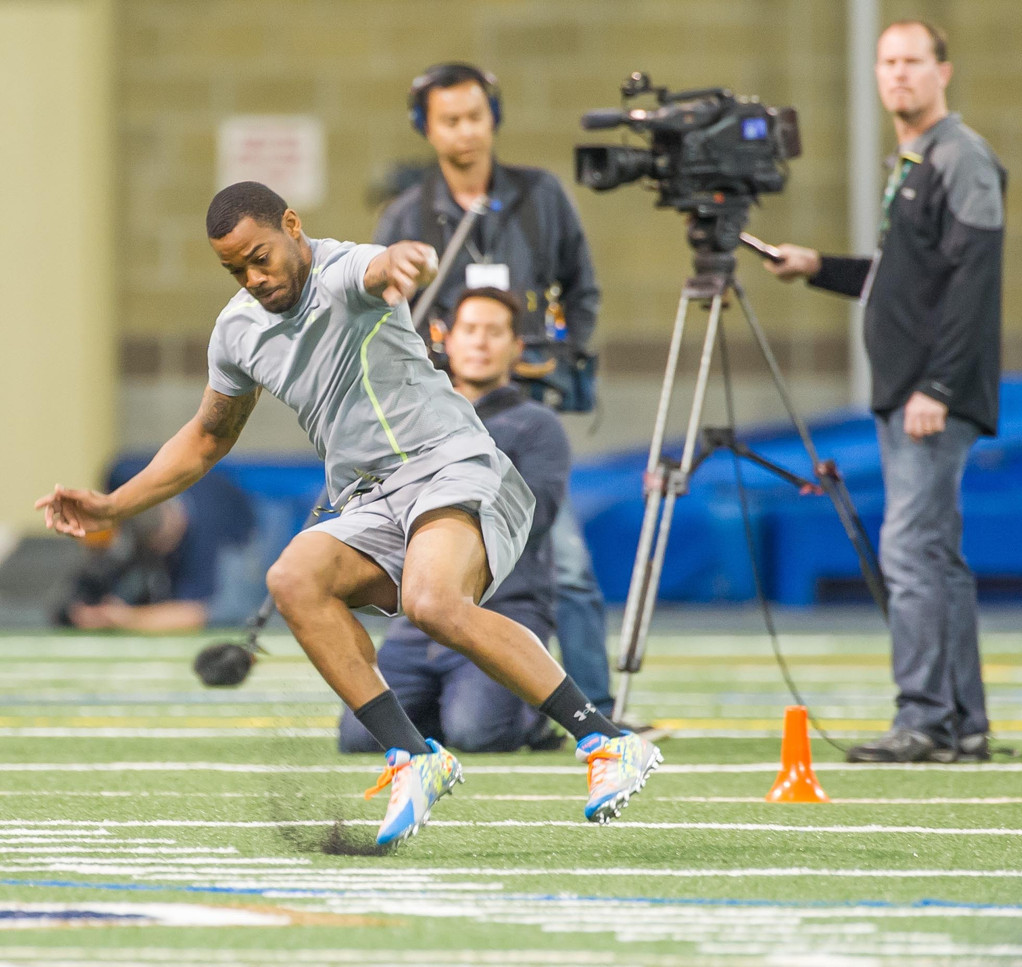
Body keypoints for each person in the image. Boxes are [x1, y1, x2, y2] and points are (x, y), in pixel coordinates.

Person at [35, 181, 661, 844]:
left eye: (260, 257)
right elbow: (206, 438)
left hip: (448, 461)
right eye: (234, 269)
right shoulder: (237, 332)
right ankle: (413, 757)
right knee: (292, 577)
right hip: (369, 497)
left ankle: (606, 739)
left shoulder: (343, 271)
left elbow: (378, 266)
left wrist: (400, 261)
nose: (252, 277)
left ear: (293, 226)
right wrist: (111, 502)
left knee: (433, 601)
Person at [763, 21, 1005, 763]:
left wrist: (936, 384)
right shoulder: (915, 158)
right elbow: (902, 281)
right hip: (909, 391)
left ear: (943, 71)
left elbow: (972, 279)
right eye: (887, 62)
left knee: (908, 550)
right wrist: (819, 267)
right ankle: (960, 722)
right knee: (935, 556)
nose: (898, 74)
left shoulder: (959, 156)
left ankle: (925, 717)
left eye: (912, 61)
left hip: (928, 395)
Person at [375, 62, 616, 719]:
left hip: (525, 407)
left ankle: (595, 707)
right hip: (438, 425)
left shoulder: (542, 197)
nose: (466, 132)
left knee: (564, 562)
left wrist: (561, 357)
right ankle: (441, 690)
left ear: (495, 118)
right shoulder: (406, 214)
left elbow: (582, 287)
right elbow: (376, 321)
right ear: (427, 129)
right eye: (450, 120)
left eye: (476, 117)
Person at [339, 286, 570, 754]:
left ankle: (531, 711)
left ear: (515, 348)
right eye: (470, 330)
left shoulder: (537, 425)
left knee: (477, 734)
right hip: (416, 619)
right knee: (360, 738)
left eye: (493, 332)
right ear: (446, 339)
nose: (480, 342)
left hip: (502, 608)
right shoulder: (414, 419)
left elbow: (533, 516)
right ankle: (442, 704)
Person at [53, 469, 256, 632]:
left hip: (249, 526)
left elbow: (200, 613)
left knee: (232, 609)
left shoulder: (209, 541)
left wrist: (128, 619)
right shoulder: (125, 474)